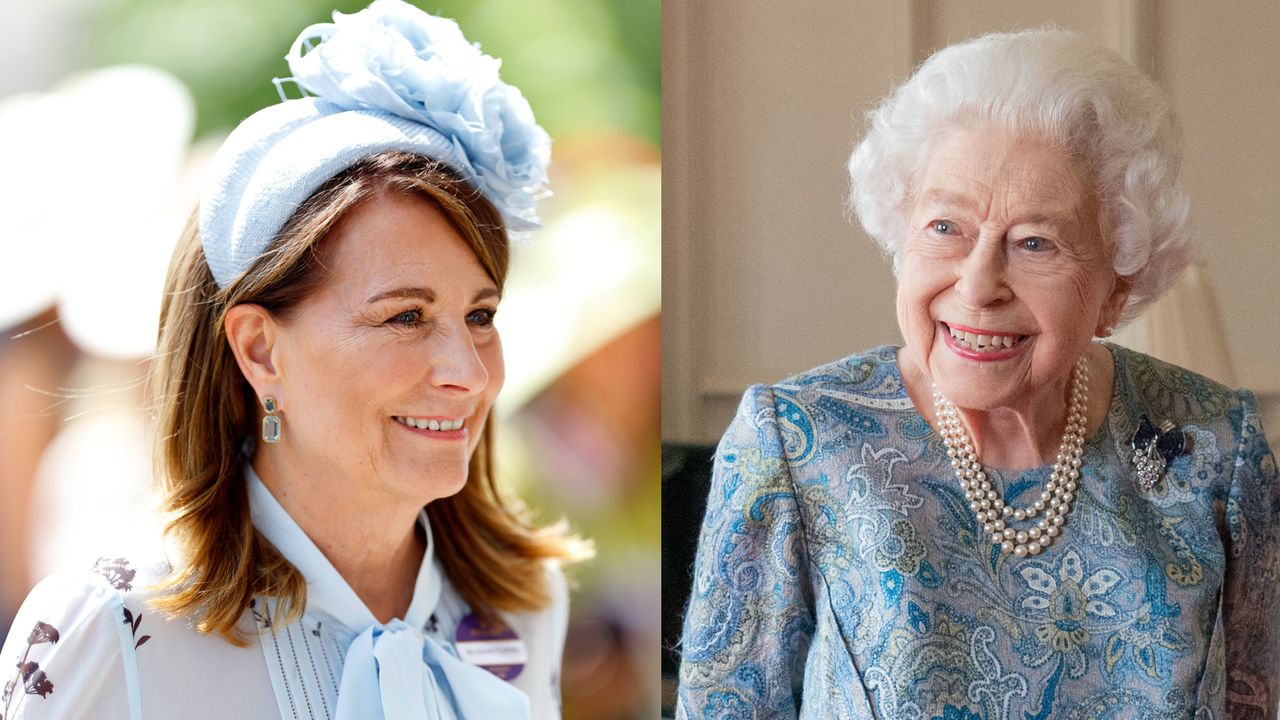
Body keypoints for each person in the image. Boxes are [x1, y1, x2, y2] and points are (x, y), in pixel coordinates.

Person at [0, 1, 588, 718]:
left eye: (480, 315)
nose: (467, 372)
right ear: (259, 349)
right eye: (406, 316)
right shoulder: (112, 627)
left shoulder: (524, 602)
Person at [677, 29, 1278, 718]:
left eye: (1035, 242)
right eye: (944, 227)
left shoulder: (1213, 448)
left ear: (1117, 285)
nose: (978, 283)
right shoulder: (797, 446)